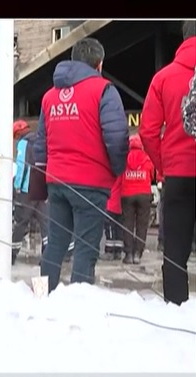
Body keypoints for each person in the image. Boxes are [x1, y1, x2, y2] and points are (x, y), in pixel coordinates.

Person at [35, 38, 129, 293]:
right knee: (86, 247)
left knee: (55, 242)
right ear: (99, 64)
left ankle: (41, 295)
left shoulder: (49, 96)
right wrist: (117, 169)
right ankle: (79, 304)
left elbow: (40, 143)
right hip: (90, 182)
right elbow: (117, 137)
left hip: (56, 181)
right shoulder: (104, 90)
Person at [140, 21, 196, 305]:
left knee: (174, 251)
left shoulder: (163, 78)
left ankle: (177, 311)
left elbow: (147, 131)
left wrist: (165, 165)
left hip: (178, 174)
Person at [11, 120, 49, 265]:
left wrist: (17, 186)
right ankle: (46, 256)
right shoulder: (40, 141)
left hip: (27, 188)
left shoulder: (23, 143)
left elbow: (22, 165)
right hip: (41, 185)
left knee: (20, 223)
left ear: (18, 133)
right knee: (45, 223)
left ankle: (11, 255)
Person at [119, 134, 154, 265]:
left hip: (127, 194)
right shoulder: (146, 158)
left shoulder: (124, 159)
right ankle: (138, 253)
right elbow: (152, 174)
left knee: (127, 223)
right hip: (144, 194)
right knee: (142, 224)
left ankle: (128, 254)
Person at [102, 179, 124, 261]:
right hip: (120, 204)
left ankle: (109, 251)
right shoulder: (122, 173)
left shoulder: (111, 174)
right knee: (119, 228)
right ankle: (118, 251)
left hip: (110, 203)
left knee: (109, 228)